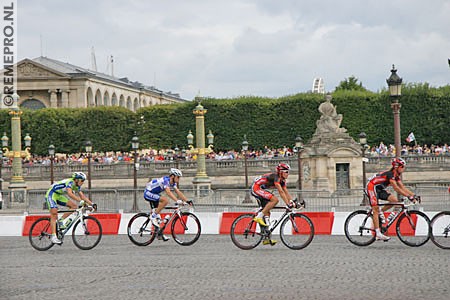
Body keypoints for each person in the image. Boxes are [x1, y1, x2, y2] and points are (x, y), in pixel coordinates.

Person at [366, 157, 417, 241]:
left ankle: (381, 211)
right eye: (403, 167)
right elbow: (396, 188)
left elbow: (402, 187)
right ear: (397, 167)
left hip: (379, 189)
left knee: (394, 200)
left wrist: (413, 195)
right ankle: (378, 234)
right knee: (375, 209)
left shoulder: (396, 176)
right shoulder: (390, 174)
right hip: (371, 187)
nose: (404, 169)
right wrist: (409, 196)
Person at [250, 163, 301, 245]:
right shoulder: (276, 178)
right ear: (281, 172)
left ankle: (266, 238)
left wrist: (291, 202)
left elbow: (286, 192)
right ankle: (258, 217)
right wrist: (288, 204)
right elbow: (281, 192)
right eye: (286, 172)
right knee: (275, 200)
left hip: (261, 189)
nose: (288, 174)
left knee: (267, 212)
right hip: (256, 188)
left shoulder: (282, 180)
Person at [45, 172, 95, 244]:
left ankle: (61, 220)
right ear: (77, 180)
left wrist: (92, 204)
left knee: (74, 206)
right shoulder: (70, 182)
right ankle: (53, 236)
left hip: (59, 195)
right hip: (51, 194)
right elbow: (70, 194)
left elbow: (82, 196)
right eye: (82, 180)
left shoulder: (76, 186)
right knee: (54, 213)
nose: (83, 182)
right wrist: (81, 201)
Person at [144, 168, 191, 241]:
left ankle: (159, 234)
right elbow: (168, 192)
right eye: (178, 177)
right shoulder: (166, 180)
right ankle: (153, 216)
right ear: (172, 176)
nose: (179, 179)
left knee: (158, 219)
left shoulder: (173, 183)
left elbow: (178, 192)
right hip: (148, 192)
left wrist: (187, 200)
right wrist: (177, 200)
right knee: (165, 200)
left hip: (154, 193)